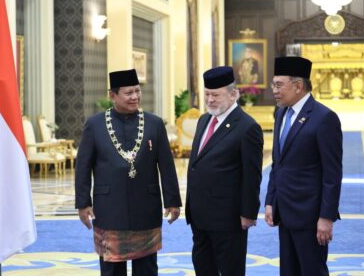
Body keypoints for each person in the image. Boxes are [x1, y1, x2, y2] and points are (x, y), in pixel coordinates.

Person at [75, 69, 182, 276]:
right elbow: (83, 166)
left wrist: (172, 200)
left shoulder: (154, 123)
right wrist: (83, 203)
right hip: (109, 209)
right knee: (112, 269)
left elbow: (166, 165)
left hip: (146, 207)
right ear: (112, 95)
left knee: (147, 269)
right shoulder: (95, 125)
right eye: (128, 93)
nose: (135, 97)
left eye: (137, 91)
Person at [265, 56, 342, 276]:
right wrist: (271, 200)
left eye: (279, 85)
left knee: (312, 271)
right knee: (288, 271)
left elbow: (332, 173)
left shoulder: (324, 118)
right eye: (273, 85)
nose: (274, 90)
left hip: (310, 216)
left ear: (299, 86)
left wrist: (326, 217)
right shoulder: (281, 113)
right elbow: (277, 163)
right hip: (284, 212)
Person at [186, 66, 263, 276]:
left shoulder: (247, 127)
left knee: (230, 270)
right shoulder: (204, 120)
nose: (210, 100)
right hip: (200, 216)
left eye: (216, 95)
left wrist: (248, 213)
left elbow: (252, 175)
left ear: (233, 94)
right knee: (203, 268)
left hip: (227, 219)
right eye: (207, 94)